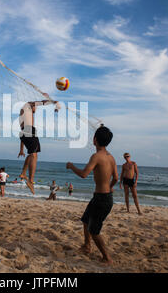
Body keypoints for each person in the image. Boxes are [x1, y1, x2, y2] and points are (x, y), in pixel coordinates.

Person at [66, 125, 118, 265]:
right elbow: (116, 178)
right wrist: (110, 187)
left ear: (94, 140)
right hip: (104, 197)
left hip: (101, 199)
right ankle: (87, 246)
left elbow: (84, 174)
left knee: (94, 230)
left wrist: (71, 166)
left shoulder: (96, 156)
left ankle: (107, 257)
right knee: (85, 220)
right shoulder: (111, 158)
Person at [18, 94, 60, 194]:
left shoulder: (24, 114)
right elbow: (42, 102)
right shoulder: (27, 105)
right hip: (29, 131)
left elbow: (23, 134)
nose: (36, 108)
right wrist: (53, 101)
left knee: (33, 154)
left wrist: (21, 149)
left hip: (25, 133)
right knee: (34, 155)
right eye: (35, 107)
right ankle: (29, 179)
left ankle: (25, 175)